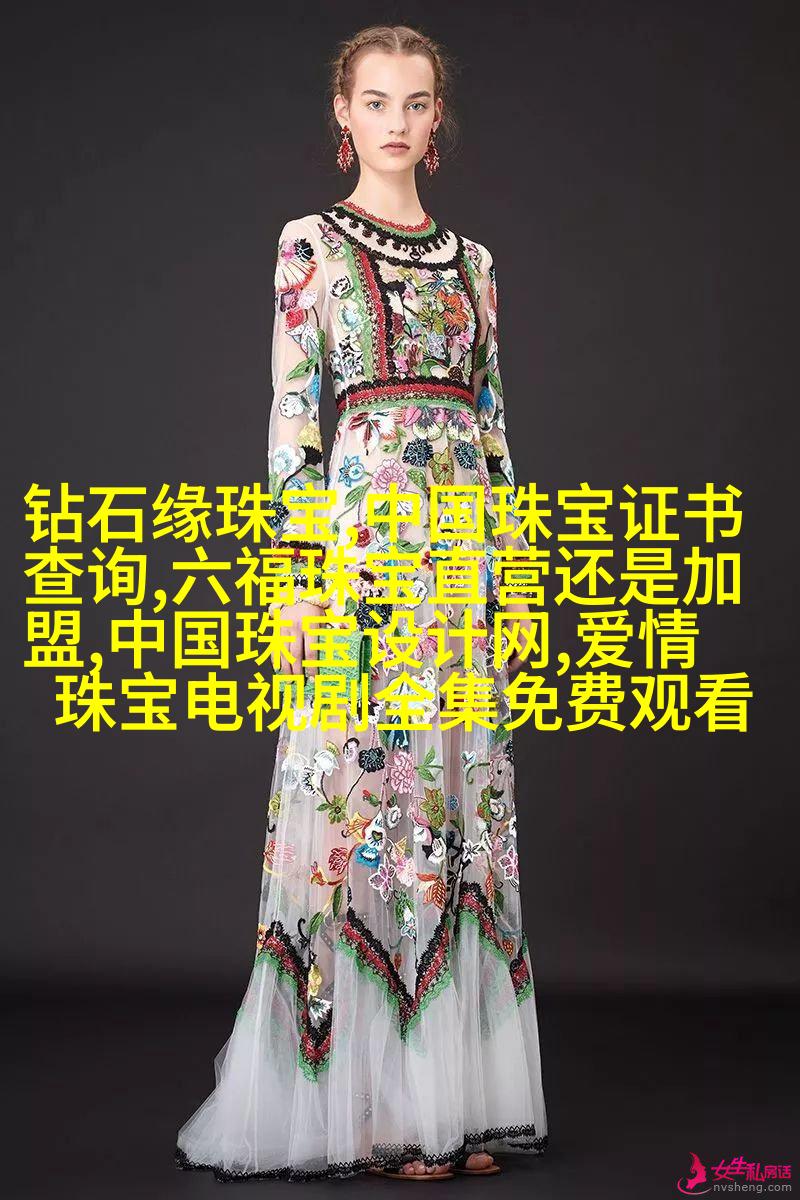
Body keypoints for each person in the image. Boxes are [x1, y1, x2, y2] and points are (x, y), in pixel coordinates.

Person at [176, 22, 549, 1182]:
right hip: (361, 555)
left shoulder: (474, 263)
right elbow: (293, 419)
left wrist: (512, 572)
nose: (396, 121)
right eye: (375, 101)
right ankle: (375, 1104)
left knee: (456, 804)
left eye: (415, 102)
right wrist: (293, 579)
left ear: (439, 119)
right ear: (342, 113)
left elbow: (492, 426)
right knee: (368, 801)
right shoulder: (310, 244)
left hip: (461, 561)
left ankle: (454, 1101)